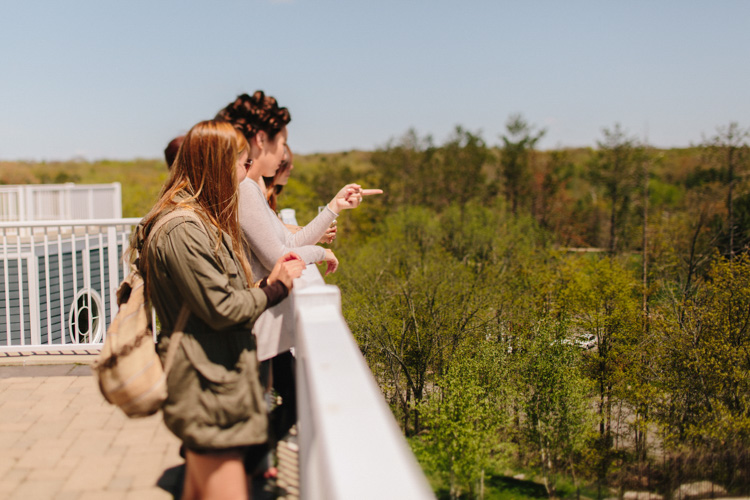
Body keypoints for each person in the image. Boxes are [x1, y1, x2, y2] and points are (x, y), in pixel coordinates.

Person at [136, 120, 305, 499]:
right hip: (208, 385)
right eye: (243, 164)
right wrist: (276, 288)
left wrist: (260, 285)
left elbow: (214, 296)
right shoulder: (183, 228)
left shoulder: (193, 221)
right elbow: (223, 308)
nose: (247, 175)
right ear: (218, 164)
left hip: (212, 381)